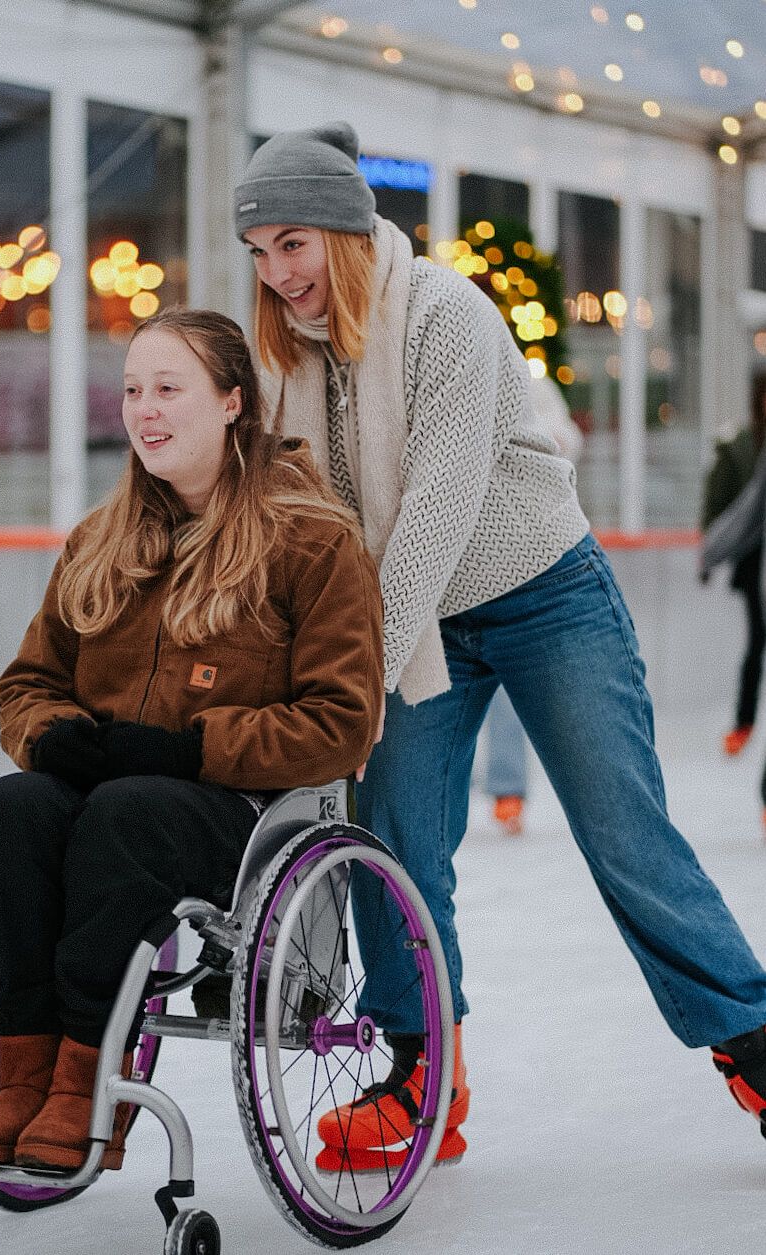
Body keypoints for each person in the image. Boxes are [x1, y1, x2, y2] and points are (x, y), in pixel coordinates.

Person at [234, 121, 766, 1173]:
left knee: (622, 830)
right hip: (416, 618)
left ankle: (751, 1041)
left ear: (344, 231)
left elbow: (434, 505)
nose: (275, 272)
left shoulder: (444, 312)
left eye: (291, 243)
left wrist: (355, 685)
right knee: (392, 841)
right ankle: (418, 1079)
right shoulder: (284, 356)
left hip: (541, 593)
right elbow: (292, 510)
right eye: (257, 251)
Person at [0, 308, 383, 1172]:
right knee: (12, 806)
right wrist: (52, 734)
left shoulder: (310, 540)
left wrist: (188, 752)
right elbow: (27, 685)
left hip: (239, 814)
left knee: (129, 811)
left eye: (168, 388)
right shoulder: (100, 542)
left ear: (231, 402)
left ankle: (83, 1082)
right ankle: (25, 1069)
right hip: (107, 791)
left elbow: (341, 720)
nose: (144, 408)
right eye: (133, 389)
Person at [480, 373, 583, 835]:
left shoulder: (533, 388)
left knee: (507, 688)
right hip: (464, 562)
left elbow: (567, 442)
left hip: (526, 564)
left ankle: (508, 790)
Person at [700, 374, 766, 757]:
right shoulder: (743, 445)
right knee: (756, 641)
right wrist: (712, 550)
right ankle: (744, 721)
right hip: (753, 562)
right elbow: (730, 505)